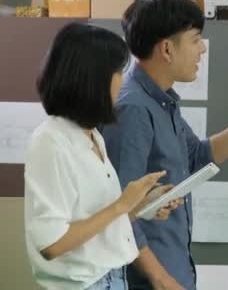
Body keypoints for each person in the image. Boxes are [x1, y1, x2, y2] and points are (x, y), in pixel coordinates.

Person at [101, 0, 228, 290]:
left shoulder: (161, 101)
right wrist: (161, 279)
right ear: (167, 49)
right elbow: (119, 212)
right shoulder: (134, 109)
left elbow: (197, 156)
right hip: (149, 281)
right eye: (195, 39)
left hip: (173, 270)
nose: (203, 48)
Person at [24, 22, 179, 290]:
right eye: (118, 72)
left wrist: (140, 208)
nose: (123, 79)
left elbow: (92, 224)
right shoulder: (51, 141)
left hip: (111, 278)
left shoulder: (92, 135)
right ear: (93, 78)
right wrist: (122, 205)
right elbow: (51, 244)